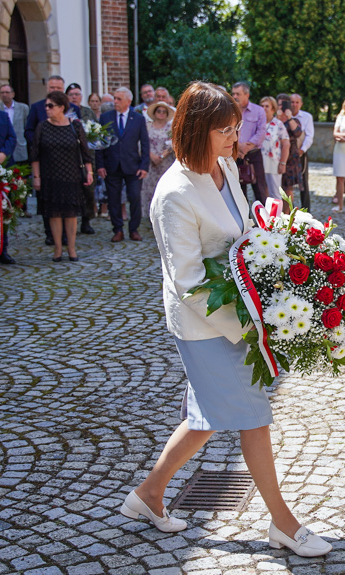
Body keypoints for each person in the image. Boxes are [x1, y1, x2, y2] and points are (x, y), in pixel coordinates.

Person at [134, 81, 332, 558]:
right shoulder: (173, 194)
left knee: (205, 418)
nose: (235, 138)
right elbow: (187, 281)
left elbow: (242, 236)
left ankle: (148, 494)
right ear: (197, 130)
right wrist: (249, 326)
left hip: (240, 314)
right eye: (225, 130)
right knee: (252, 416)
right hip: (204, 325)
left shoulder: (224, 166)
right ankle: (283, 523)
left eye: (235, 128)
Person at [31, 91, 93, 262]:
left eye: (50, 106)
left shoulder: (75, 126)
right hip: (50, 176)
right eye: (46, 106)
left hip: (71, 176)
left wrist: (89, 172)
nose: (47, 109)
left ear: (61, 107)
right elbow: (34, 154)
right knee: (54, 214)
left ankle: (72, 249)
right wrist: (36, 177)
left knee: (71, 214)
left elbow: (85, 152)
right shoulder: (42, 127)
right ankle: (58, 249)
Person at [25, 75, 82, 246]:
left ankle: (67, 237)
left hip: (67, 163)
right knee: (49, 201)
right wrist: (40, 142)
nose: (55, 90)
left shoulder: (72, 108)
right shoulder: (37, 108)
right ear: (47, 88)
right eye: (52, 87)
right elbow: (28, 130)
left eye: (58, 87)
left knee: (67, 203)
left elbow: (79, 134)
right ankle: (50, 234)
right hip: (46, 160)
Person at [96, 87, 150, 243]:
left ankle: (134, 229)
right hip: (111, 165)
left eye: (119, 99)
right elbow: (100, 143)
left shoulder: (138, 119)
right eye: (115, 98)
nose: (115, 102)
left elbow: (145, 144)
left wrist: (144, 166)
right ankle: (117, 229)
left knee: (134, 198)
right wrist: (100, 165)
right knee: (113, 199)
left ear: (128, 101)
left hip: (133, 166)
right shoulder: (106, 117)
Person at [66, 83, 98, 235]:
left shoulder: (88, 112)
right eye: (71, 94)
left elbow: (97, 133)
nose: (74, 97)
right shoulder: (64, 112)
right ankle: (70, 222)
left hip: (87, 158)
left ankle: (86, 221)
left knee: (88, 192)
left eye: (77, 94)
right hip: (69, 160)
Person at [231, 82, 268, 203]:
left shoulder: (259, 111)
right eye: (233, 94)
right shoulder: (230, 111)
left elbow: (261, 132)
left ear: (247, 95)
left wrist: (245, 148)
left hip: (253, 154)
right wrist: (238, 147)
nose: (235, 96)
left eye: (238, 94)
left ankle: (264, 220)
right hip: (236, 155)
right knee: (239, 192)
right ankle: (244, 220)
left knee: (260, 189)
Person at [141, 101, 175, 218]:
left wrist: (161, 156)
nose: (161, 114)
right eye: (158, 111)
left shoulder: (171, 127)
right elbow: (142, 143)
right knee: (150, 189)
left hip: (165, 163)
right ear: (154, 113)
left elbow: (172, 144)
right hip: (150, 163)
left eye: (163, 112)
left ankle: (164, 215)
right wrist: (152, 156)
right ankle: (150, 215)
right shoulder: (148, 126)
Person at [259, 96, 289, 201]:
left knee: (275, 194)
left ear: (273, 109)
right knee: (261, 193)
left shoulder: (278, 124)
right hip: (259, 162)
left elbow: (286, 144)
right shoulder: (257, 123)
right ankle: (263, 216)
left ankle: (276, 217)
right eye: (262, 106)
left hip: (273, 163)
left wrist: (283, 163)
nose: (264, 108)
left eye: (267, 106)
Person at [275, 94, 304, 201]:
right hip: (275, 157)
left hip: (291, 159)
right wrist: (278, 117)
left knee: (288, 188)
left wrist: (289, 117)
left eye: (284, 104)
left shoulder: (294, 120)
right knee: (275, 187)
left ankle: (287, 214)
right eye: (279, 104)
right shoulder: (274, 120)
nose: (281, 107)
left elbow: (297, 133)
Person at [0, 104, 17, 264]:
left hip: (3, 168)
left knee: (3, 210)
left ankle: (2, 249)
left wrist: (4, 153)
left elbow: (12, 137)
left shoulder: (3, 116)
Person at [291, 93, 314, 209]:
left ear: (301, 104)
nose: (294, 105)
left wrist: (302, 150)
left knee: (303, 183)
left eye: (297, 102)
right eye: (292, 102)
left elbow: (309, 136)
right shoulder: (284, 117)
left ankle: (306, 210)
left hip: (300, 153)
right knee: (287, 184)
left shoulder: (307, 117)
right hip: (287, 155)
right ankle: (289, 210)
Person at [0, 84, 28, 166]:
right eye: (2, 93)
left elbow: (27, 126)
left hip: (20, 147)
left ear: (13, 94)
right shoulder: (0, 111)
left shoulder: (23, 108)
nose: (5, 95)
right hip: (3, 150)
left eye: (7, 92)